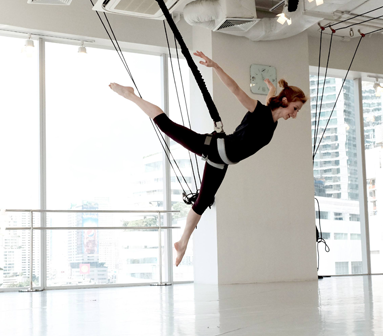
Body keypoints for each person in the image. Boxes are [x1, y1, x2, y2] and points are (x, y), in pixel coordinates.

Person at [109, 50, 307, 266]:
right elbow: (235, 90)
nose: (295, 114)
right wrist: (216, 67)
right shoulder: (259, 112)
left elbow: (271, 104)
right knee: (167, 126)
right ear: (285, 101)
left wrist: (271, 89)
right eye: (295, 109)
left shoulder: (272, 121)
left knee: (202, 202)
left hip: (223, 161)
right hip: (214, 148)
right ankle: (130, 95)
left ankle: (182, 243)